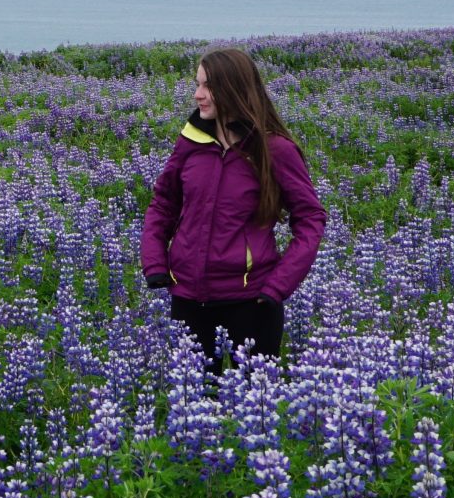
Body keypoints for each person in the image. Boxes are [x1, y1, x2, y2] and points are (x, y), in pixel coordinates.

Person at [140, 46, 326, 365]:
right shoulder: (190, 142)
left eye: (207, 86)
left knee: (254, 394)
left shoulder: (274, 149)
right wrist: (155, 263)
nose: (198, 94)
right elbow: (163, 203)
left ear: (233, 89)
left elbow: (310, 218)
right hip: (188, 296)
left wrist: (278, 286)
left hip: (251, 302)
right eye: (197, 84)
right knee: (194, 393)